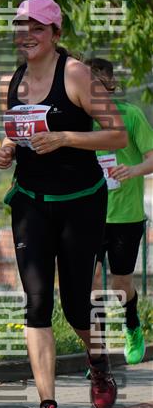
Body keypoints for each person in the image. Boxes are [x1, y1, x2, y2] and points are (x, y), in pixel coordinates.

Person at [0, 0, 127, 408]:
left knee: (75, 304)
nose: (27, 35)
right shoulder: (11, 81)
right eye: (21, 27)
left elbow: (117, 134)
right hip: (31, 201)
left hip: (80, 201)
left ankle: (97, 361)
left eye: (37, 27)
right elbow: (16, 134)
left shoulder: (76, 74)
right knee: (36, 303)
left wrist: (66, 137)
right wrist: (7, 150)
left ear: (55, 33)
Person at [87, 57, 153, 365]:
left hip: (126, 215)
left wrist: (133, 170)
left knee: (120, 284)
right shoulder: (79, 121)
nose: (94, 90)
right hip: (88, 214)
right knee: (88, 282)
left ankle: (132, 325)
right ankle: (97, 353)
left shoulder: (131, 115)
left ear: (111, 84)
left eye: (100, 84)